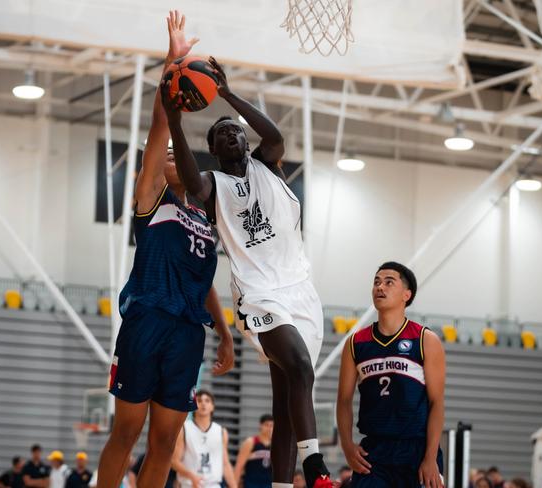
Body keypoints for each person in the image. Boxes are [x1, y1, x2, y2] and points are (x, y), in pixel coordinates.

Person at [163, 53, 331, 488]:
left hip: (301, 290)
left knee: (288, 401)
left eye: (236, 129)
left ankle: (280, 483)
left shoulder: (269, 165)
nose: (233, 133)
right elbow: (190, 178)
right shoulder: (212, 186)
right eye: (222, 133)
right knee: (300, 368)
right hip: (259, 293)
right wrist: (175, 122)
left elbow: (273, 136)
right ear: (214, 150)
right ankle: (314, 467)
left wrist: (228, 95)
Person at [96, 11, 234, 488]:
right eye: (170, 154)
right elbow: (160, 129)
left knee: (164, 442)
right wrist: (173, 64)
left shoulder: (203, 216)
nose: (174, 156)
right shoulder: (151, 197)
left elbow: (206, 283)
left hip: (187, 332)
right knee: (127, 431)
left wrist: (225, 330)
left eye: (180, 154)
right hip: (147, 318)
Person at [336, 262, 446, 488]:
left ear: (407, 294)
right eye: (376, 282)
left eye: (388, 282)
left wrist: (430, 457)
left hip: (416, 450)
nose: (380, 287)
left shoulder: (426, 340)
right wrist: (347, 446)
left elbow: (437, 403)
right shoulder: (355, 343)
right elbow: (343, 401)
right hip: (374, 452)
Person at [171, 390, 237, 488]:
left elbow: (226, 464)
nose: (203, 404)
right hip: (189, 485)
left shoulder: (221, 431)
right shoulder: (184, 429)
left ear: (212, 407)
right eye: (199, 400)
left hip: (213, 485)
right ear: (193, 405)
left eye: (207, 401)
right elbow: (174, 461)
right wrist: (191, 476)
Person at [234, 414, 273, 488]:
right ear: (260, 426)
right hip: (251, 484)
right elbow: (239, 467)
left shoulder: (275, 445)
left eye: (271, 426)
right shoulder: (250, 442)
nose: (269, 428)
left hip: (268, 485)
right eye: (266, 425)